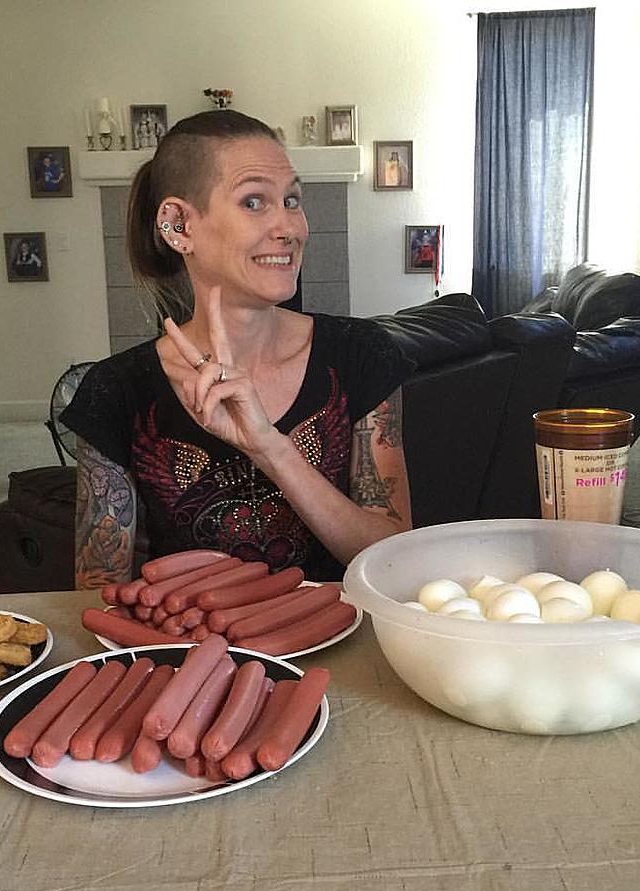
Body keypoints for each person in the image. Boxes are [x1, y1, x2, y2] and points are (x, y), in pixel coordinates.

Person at [61, 109, 412, 589]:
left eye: (292, 200)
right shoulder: (116, 390)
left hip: (341, 646)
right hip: (191, 657)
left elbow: (394, 563)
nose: (290, 227)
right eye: (254, 202)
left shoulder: (361, 355)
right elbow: (99, 592)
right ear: (179, 225)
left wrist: (270, 448)